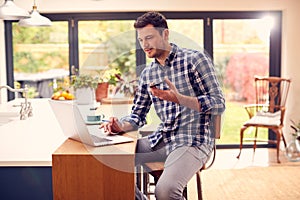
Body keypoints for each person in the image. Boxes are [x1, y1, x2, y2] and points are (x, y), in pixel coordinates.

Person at [100, 11, 225, 200]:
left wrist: (181, 99)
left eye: (149, 37)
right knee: (109, 166)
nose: (145, 45)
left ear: (165, 34)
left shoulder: (194, 60)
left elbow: (218, 103)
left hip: (194, 141)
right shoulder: (148, 74)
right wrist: (120, 126)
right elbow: (137, 116)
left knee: (165, 191)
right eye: (141, 40)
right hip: (162, 139)